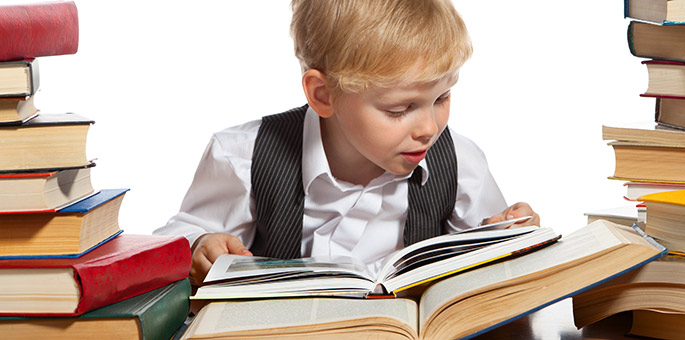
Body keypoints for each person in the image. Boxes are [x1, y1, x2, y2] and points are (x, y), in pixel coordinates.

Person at [154, 0, 540, 286]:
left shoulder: (459, 161)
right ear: (323, 95)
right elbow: (170, 242)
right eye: (400, 108)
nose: (429, 127)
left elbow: (493, 258)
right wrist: (200, 245)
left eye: (441, 98)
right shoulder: (243, 156)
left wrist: (506, 233)